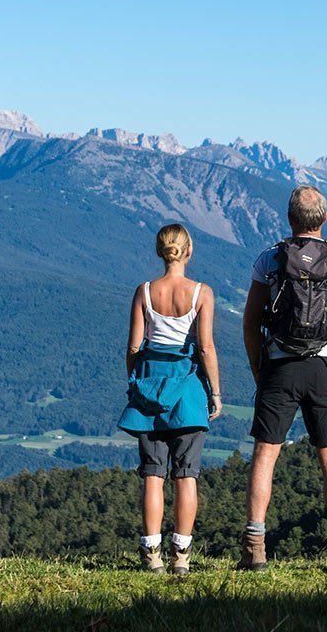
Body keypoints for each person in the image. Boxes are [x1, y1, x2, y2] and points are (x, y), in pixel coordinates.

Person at [239, 186, 327, 574]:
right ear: (324, 220)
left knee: (266, 455)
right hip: (324, 365)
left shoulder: (270, 259)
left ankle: (255, 549)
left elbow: (249, 322)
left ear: (290, 219)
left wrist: (260, 371)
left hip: (280, 365)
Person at [117, 223, 223, 575]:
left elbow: (134, 346)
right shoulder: (201, 293)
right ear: (188, 251)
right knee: (186, 474)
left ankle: (151, 554)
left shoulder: (144, 292)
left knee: (152, 474)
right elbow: (205, 347)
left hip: (149, 389)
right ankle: (181, 555)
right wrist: (216, 392)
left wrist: (135, 381)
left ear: (160, 251)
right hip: (187, 391)